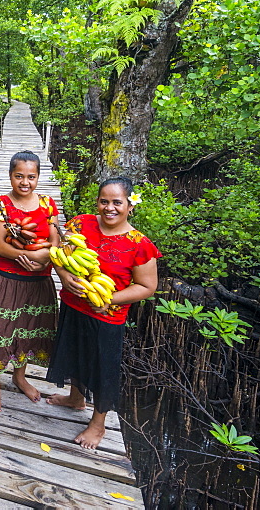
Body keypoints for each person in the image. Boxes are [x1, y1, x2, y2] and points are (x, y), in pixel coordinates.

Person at [46, 176, 160, 449]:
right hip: (74, 305)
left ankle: (98, 424)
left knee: (102, 368)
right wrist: (63, 276)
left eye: (117, 202)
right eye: (104, 201)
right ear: (97, 202)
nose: (110, 208)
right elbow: (59, 253)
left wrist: (109, 299)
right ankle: (76, 398)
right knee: (73, 353)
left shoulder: (139, 244)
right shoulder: (81, 224)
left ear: (130, 206)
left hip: (107, 315)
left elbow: (147, 286)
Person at [0, 151, 59, 411]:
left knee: (30, 327)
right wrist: (30, 255)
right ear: (10, 176)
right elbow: (0, 246)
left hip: (39, 279)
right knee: (0, 328)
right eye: (19, 176)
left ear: (38, 177)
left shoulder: (47, 204)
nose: (25, 182)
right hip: (5, 278)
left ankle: (20, 376)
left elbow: (55, 238)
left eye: (31, 177)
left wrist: (45, 260)